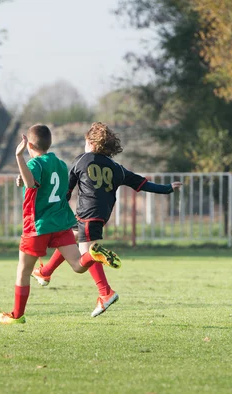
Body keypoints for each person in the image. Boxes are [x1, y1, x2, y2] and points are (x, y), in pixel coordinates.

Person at [30, 122, 182, 317]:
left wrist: (54, 208)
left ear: (92, 144)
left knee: (84, 259)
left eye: (86, 143)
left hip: (86, 213)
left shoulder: (82, 160)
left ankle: (105, 293)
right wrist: (167, 188)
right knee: (69, 237)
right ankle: (45, 272)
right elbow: (142, 183)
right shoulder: (116, 168)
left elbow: (66, 190)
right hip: (101, 215)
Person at [0, 124, 122, 325]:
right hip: (62, 222)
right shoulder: (61, 164)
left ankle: (17, 316)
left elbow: (31, 184)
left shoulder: (33, 164)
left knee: (23, 271)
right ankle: (93, 254)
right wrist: (24, 178)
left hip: (38, 225)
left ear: (28, 144)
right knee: (78, 265)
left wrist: (19, 157)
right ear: (49, 143)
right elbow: (45, 185)